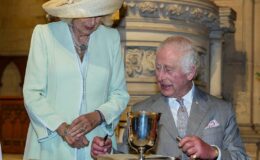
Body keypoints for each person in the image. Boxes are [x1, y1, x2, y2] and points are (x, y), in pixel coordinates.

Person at [91, 36, 249, 160]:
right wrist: (108, 151)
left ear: (190, 72)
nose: (160, 77)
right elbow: (129, 155)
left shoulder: (221, 110)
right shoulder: (141, 111)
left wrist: (214, 153)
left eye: (168, 69)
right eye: (158, 68)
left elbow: (241, 157)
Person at [22, 0, 129, 159]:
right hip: (52, 141)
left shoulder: (110, 38)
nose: (93, 22)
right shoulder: (44, 34)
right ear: (71, 11)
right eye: (86, 15)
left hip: (96, 143)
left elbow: (120, 94)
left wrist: (97, 116)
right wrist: (63, 130)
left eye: (98, 14)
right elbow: (32, 93)